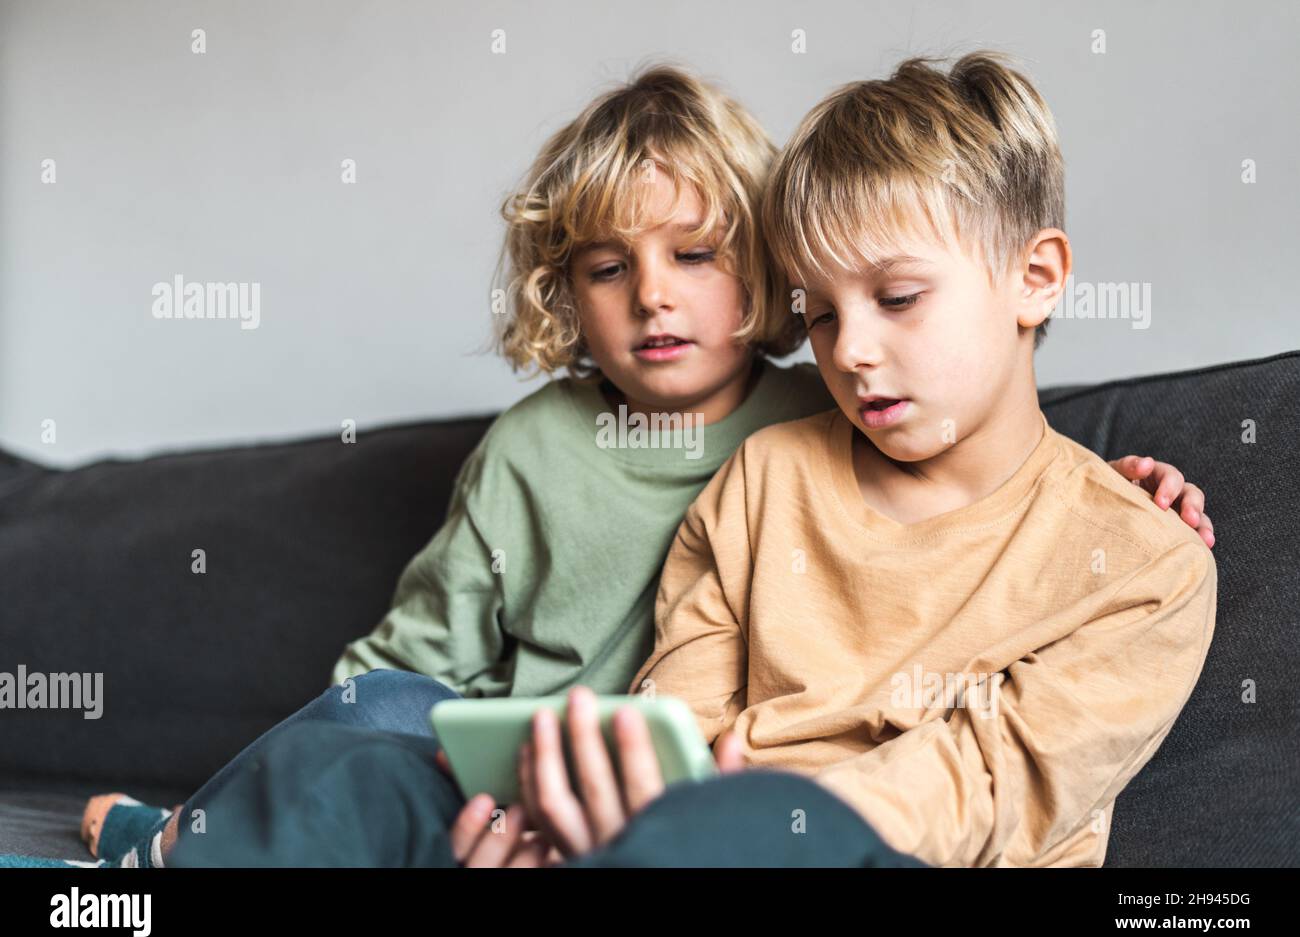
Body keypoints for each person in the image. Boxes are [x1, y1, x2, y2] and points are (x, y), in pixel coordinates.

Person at [78, 58, 1211, 870]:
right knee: (361, 771)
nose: (853, 350)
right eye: (820, 315)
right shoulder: (767, 473)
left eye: (898, 299)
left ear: (1039, 276)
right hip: (669, 822)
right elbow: (677, 700)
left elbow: (985, 784)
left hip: (848, 842)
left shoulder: (1146, 563)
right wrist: (585, 821)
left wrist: (703, 816)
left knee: (741, 825)